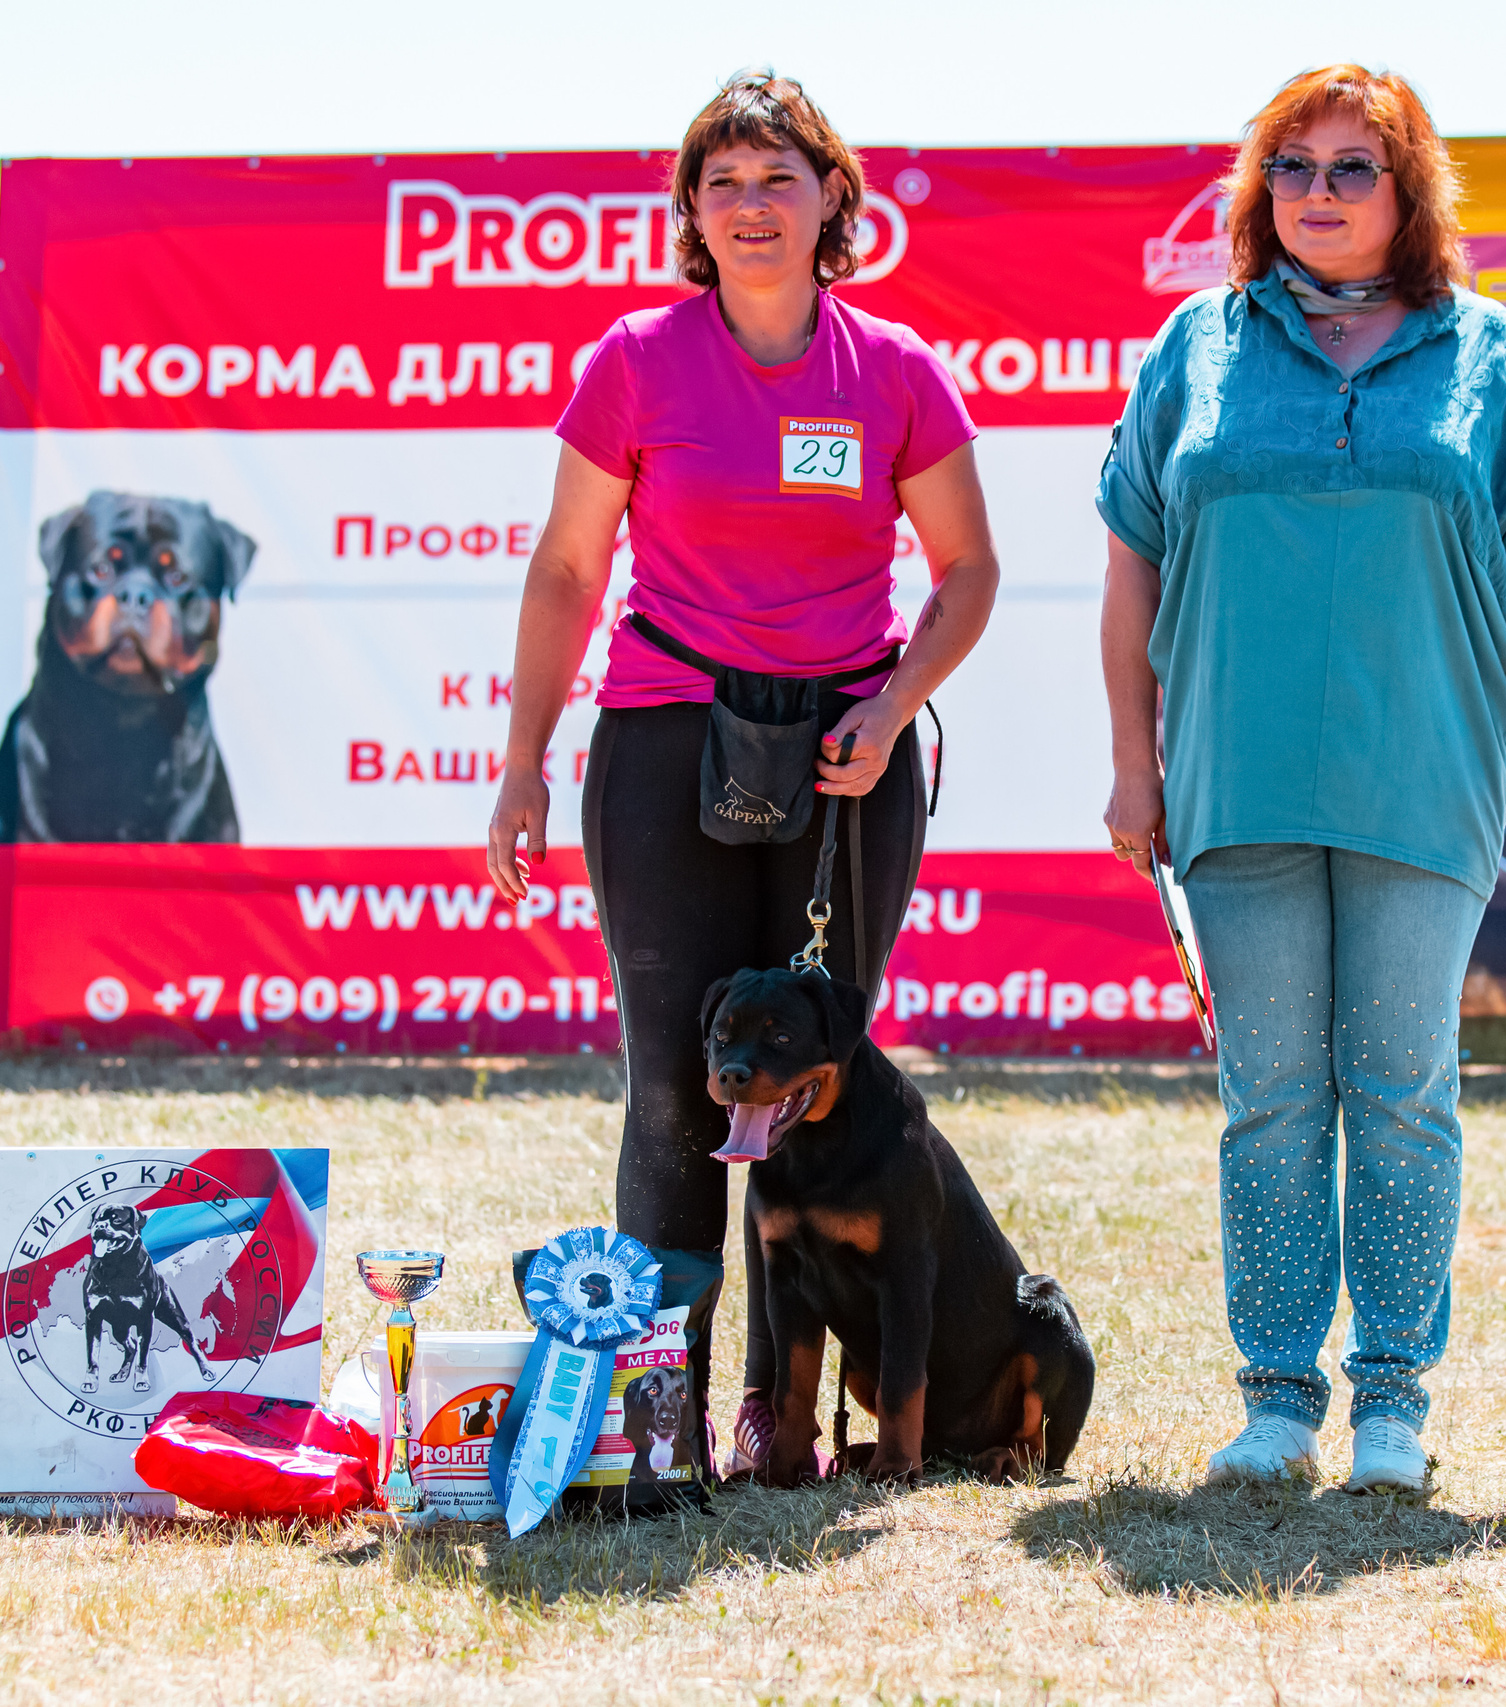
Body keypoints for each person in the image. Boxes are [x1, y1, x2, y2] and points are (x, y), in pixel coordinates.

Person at [485, 71, 1000, 1476]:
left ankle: (779, 1411)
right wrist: (523, 760)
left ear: (835, 197)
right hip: (667, 741)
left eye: (780, 181)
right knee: (679, 1089)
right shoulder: (636, 360)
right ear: (690, 215)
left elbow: (967, 575)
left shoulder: (895, 369)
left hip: (849, 755)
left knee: (807, 1082)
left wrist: (894, 708)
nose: (753, 208)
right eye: (724, 185)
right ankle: (659, 1427)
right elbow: (569, 568)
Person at [1097, 65, 1506, 1495]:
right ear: (1262, 195)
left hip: (1424, 784)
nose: (1319, 193)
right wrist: (1135, 765)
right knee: (1268, 1097)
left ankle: (1391, 1403)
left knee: (1399, 1093)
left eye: (1352, 168)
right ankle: (1274, 1400)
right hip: (1233, 787)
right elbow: (1131, 568)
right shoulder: (1195, 347)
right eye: (1294, 169)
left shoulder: (1489, 356)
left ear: (1409, 191)